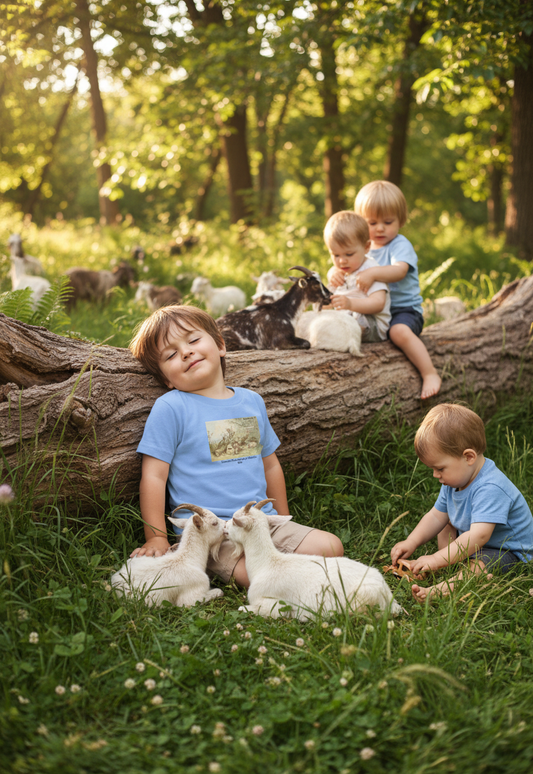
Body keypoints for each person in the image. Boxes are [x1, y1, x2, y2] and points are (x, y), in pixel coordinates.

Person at [128, 304, 343, 587]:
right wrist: (156, 536)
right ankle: (291, 579)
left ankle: (292, 572)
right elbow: (154, 477)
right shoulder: (171, 407)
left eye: (193, 340)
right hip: (211, 532)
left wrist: (280, 518)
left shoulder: (251, 401)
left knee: (331, 547)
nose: (186, 352)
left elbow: (270, 464)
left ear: (220, 345)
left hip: (259, 521)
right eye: (171, 354)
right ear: (166, 379)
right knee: (252, 575)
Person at [390, 404, 533, 603]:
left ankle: (442, 590)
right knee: (445, 520)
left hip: (508, 551)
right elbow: (435, 516)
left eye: (440, 468)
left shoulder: (491, 487)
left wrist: (434, 559)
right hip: (474, 542)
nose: (435, 475)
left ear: (468, 457)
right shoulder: (455, 480)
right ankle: (445, 564)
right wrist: (411, 541)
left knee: (480, 565)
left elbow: (479, 536)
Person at [346, 180, 441, 399]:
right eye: (372, 222)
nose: (380, 228)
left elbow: (400, 270)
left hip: (403, 310)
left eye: (388, 222)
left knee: (398, 332)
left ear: (401, 220)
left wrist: (373, 273)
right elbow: (347, 265)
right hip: (375, 310)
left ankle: (430, 373)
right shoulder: (363, 248)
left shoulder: (399, 245)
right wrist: (336, 272)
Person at [324, 210, 391, 343]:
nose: (342, 261)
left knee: (355, 319)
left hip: (372, 325)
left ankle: (344, 333)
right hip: (345, 318)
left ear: (366, 247)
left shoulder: (371, 270)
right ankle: (333, 332)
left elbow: (378, 303)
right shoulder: (340, 271)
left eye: (349, 254)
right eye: (336, 255)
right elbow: (327, 302)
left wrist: (350, 303)